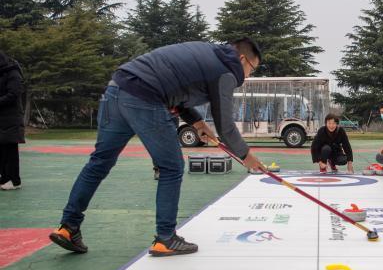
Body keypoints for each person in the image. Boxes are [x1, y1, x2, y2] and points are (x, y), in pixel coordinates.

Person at [49, 38, 264, 256]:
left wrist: (198, 123)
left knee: (99, 162)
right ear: (242, 59)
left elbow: (176, 89)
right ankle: (165, 238)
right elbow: (225, 126)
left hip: (117, 89)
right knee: (171, 167)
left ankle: (68, 227)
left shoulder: (207, 54)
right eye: (251, 70)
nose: (247, 76)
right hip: (144, 98)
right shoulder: (226, 71)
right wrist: (247, 157)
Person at [0, 51, 25, 191]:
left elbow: (13, 94)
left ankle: (15, 180)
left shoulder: (13, 73)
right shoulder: (2, 73)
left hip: (11, 117)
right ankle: (4, 178)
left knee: (10, 149)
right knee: (2, 149)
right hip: (2, 117)